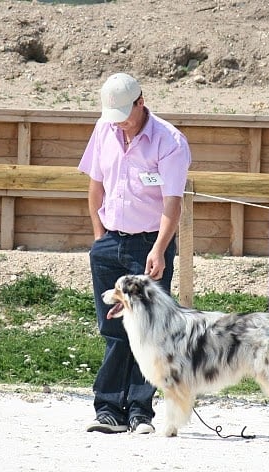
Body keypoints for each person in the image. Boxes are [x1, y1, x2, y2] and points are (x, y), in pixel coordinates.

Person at [77, 72, 192, 435]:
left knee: (150, 331)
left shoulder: (170, 141)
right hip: (109, 240)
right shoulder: (104, 128)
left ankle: (141, 410)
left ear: (141, 102)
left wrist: (159, 249)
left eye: (125, 115)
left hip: (148, 245)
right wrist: (100, 238)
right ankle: (108, 408)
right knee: (113, 329)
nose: (119, 123)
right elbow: (95, 186)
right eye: (113, 116)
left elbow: (172, 203)